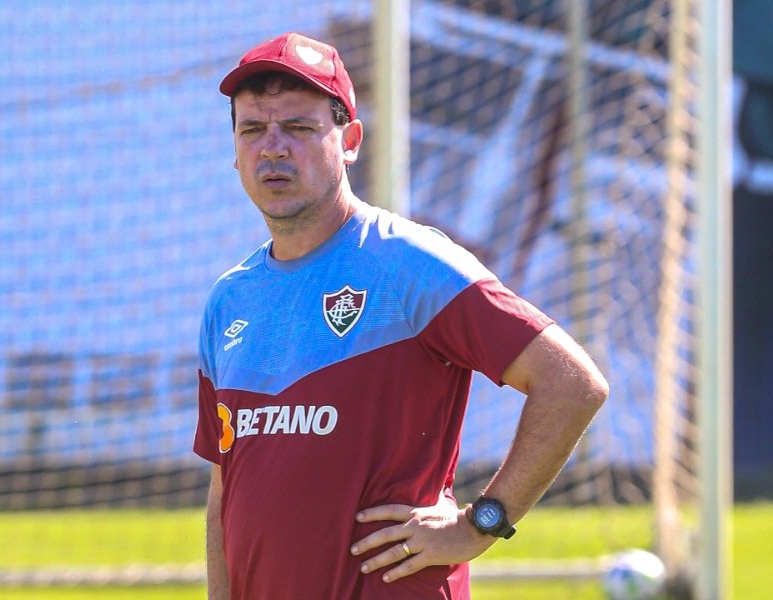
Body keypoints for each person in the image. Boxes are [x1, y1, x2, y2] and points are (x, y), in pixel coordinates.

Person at [193, 32, 609, 600]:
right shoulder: (229, 299)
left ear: (350, 141)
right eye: (252, 129)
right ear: (235, 149)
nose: (273, 148)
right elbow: (226, 489)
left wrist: (480, 523)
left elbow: (572, 383)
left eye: (298, 127)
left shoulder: (411, 263)